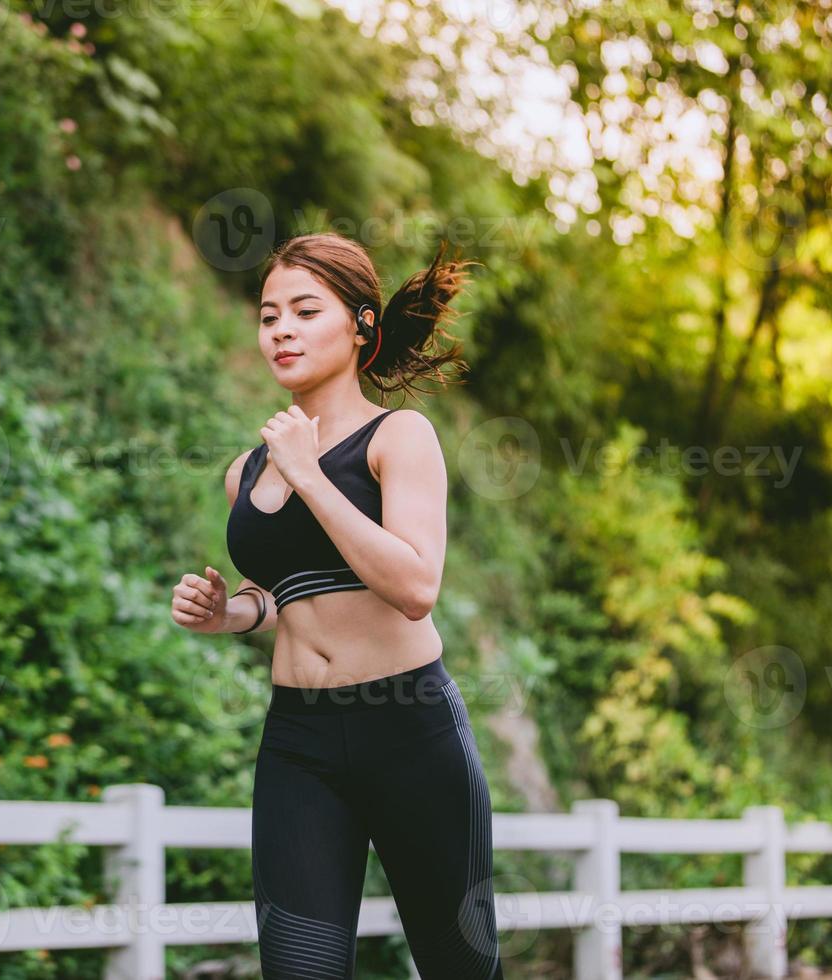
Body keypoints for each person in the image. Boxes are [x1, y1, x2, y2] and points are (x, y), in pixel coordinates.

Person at [171, 232, 504, 979]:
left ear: (360, 326)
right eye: (268, 316)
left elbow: (416, 588)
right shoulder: (245, 473)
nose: (281, 329)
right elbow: (292, 594)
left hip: (411, 730)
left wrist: (312, 475)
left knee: (461, 971)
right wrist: (231, 612)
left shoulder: (400, 437)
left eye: (304, 310)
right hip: (300, 744)